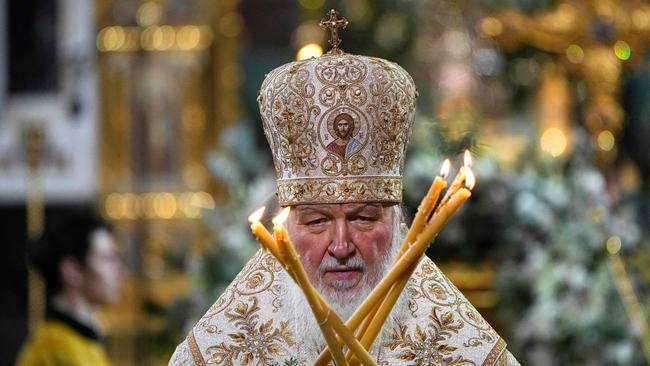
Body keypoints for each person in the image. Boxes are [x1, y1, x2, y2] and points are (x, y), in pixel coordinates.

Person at [169, 10, 520, 365]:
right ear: (286, 229)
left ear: (397, 223)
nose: (340, 246)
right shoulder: (223, 347)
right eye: (317, 221)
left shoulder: (459, 347)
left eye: (363, 218)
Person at [16, 214, 123, 366]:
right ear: (71, 271)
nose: (119, 269)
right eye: (107, 258)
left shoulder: (80, 340)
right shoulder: (55, 349)